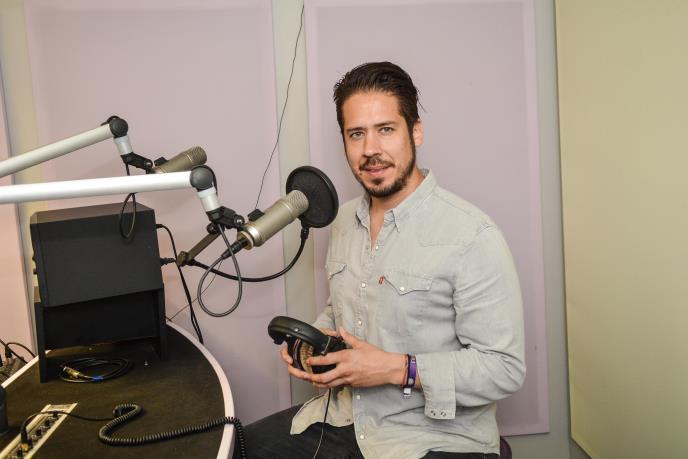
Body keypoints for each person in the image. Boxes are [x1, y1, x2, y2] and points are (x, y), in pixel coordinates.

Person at [238, 62, 525, 459]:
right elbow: (342, 309)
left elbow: (504, 368)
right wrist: (312, 342)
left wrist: (396, 368)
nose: (370, 149)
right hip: (345, 418)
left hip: (433, 437)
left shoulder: (472, 235)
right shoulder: (343, 222)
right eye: (356, 134)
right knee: (233, 448)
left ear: (416, 132)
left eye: (385, 129)